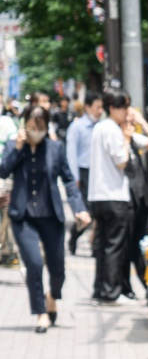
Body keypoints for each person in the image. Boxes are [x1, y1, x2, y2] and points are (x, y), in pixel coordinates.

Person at [0, 105, 90, 331]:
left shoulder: (55, 148)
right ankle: (40, 312)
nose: (36, 130)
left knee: (58, 269)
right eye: (32, 126)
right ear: (25, 125)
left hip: (50, 215)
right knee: (34, 264)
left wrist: (79, 208)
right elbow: (2, 170)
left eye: (40, 126)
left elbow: (69, 180)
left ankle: (53, 296)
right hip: (23, 216)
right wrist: (18, 148)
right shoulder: (14, 146)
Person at [88, 89, 135, 303]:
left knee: (102, 244)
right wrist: (126, 139)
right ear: (113, 108)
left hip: (97, 194)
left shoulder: (98, 128)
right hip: (114, 194)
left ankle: (100, 289)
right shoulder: (113, 130)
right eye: (124, 107)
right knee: (114, 246)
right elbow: (121, 161)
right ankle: (111, 292)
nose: (127, 112)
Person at [123, 106, 148, 295]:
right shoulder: (115, 137)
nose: (129, 119)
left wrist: (142, 123)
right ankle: (127, 288)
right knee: (127, 248)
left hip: (142, 199)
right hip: (125, 202)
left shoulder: (135, 140)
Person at [65, 91, 102, 255]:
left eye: (101, 107)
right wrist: (75, 178)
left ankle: (95, 245)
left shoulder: (101, 126)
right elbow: (71, 153)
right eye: (97, 107)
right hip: (83, 173)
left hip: (99, 173)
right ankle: (75, 235)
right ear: (87, 107)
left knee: (98, 211)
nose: (100, 111)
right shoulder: (77, 127)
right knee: (86, 213)